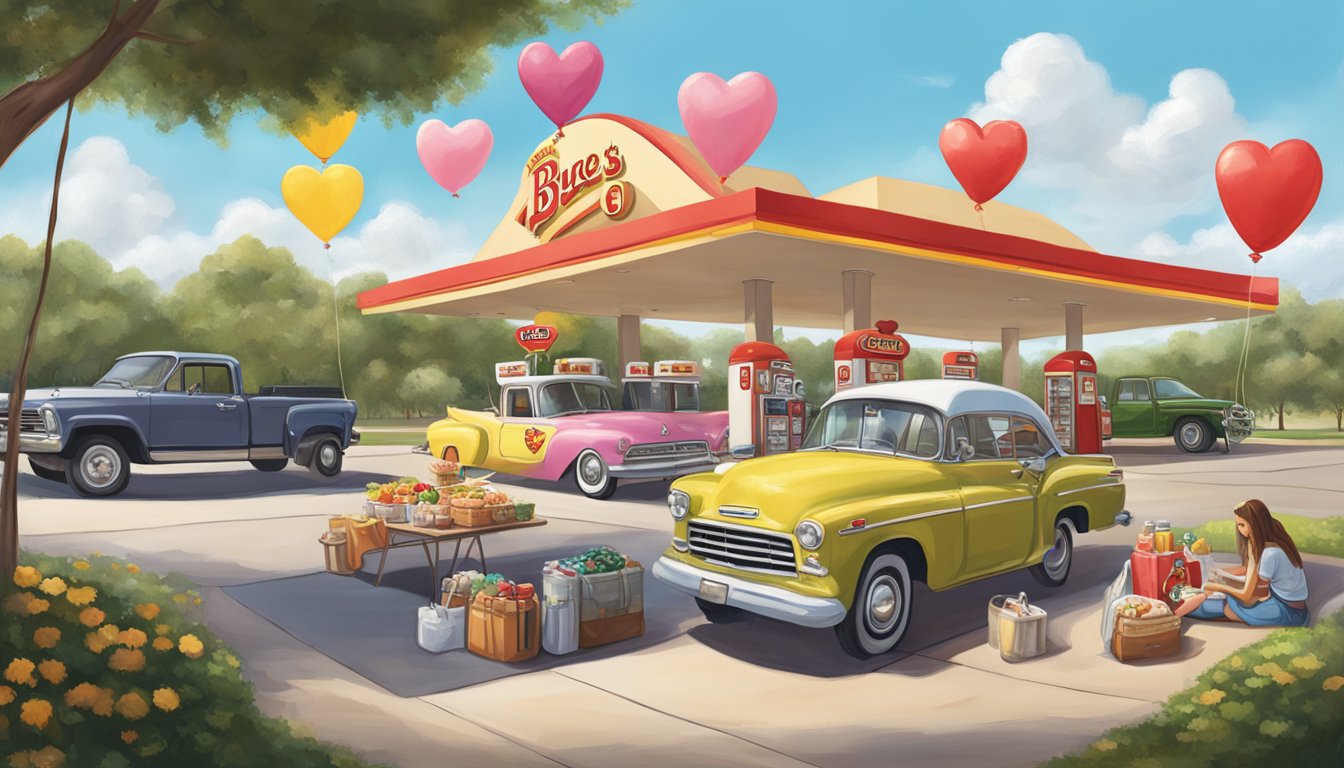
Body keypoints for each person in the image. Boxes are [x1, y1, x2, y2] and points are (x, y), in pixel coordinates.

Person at [1175, 499, 1309, 626]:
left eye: (1242, 524)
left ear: (1256, 524)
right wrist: (1222, 580)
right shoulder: (1270, 546)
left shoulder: (1270, 553)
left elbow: (1251, 597)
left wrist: (1219, 587)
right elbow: (1254, 585)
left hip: (1286, 612)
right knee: (1218, 595)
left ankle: (1176, 614)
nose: (1240, 530)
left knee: (1223, 606)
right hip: (1292, 608)